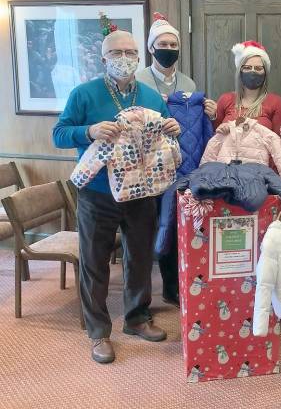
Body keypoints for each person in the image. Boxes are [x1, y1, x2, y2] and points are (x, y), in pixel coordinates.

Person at [52, 29, 181, 364]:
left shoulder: (152, 96)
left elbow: (166, 131)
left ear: (139, 55)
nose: (125, 58)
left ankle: (137, 318)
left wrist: (173, 128)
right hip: (97, 194)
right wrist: (89, 131)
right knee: (94, 263)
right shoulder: (84, 94)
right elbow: (59, 134)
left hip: (141, 192)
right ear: (103, 58)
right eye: (117, 53)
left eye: (131, 51)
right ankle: (98, 332)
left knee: (139, 257)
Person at [136, 13, 216, 307]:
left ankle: (174, 287)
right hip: (146, 167)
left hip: (182, 166)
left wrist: (208, 112)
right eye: (163, 43)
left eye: (173, 43)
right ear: (152, 48)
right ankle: (142, 297)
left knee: (176, 225)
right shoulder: (139, 81)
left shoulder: (188, 83)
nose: (169, 48)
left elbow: (194, 126)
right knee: (148, 229)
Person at [214, 40, 281, 136]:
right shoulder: (225, 100)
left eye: (258, 68)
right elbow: (215, 135)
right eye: (247, 68)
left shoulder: (276, 103)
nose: (252, 72)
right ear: (240, 71)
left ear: (265, 73)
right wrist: (213, 116)